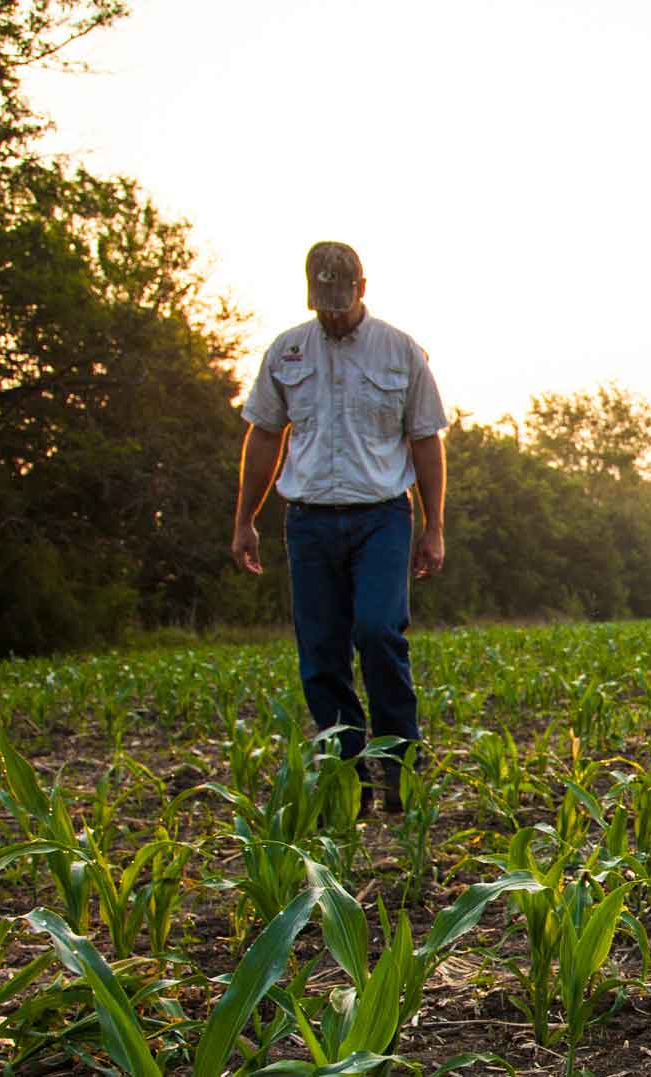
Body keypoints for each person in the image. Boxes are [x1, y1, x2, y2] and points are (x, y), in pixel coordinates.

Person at [231, 241, 447, 814]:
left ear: (363, 288)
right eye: (323, 301)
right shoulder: (287, 351)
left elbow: (426, 441)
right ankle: (348, 783)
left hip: (382, 516)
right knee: (321, 655)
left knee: (378, 633)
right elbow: (263, 438)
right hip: (308, 522)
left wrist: (434, 527)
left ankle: (402, 769)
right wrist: (244, 520)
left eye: (341, 300)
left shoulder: (401, 352)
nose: (332, 312)